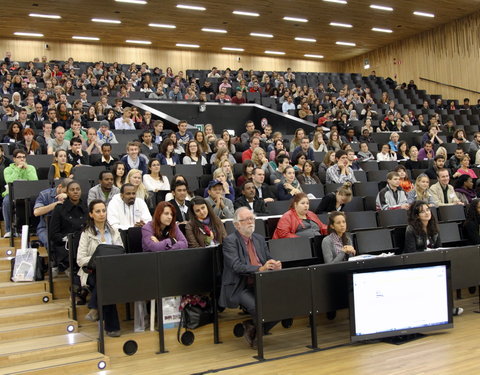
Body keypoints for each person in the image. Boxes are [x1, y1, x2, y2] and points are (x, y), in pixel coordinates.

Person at [219, 207, 282, 348]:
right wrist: (260, 268)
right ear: (237, 225)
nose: (250, 222)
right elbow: (236, 266)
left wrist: (275, 264)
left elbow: (268, 258)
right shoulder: (230, 241)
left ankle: (253, 328)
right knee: (258, 307)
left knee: (284, 304)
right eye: (246, 219)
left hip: (262, 282)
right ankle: (257, 334)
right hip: (241, 285)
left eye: (251, 218)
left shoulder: (259, 238)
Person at [76, 199, 123, 337]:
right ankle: (112, 327)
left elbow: (121, 251)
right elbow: (80, 259)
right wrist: (97, 261)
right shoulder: (86, 233)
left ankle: (95, 307)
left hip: (113, 270)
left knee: (107, 280)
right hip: (92, 271)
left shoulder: (114, 231)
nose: (102, 214)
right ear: (91, 214)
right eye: (98, 211)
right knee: (104, 280)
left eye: (103, 210)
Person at [50, 181, 88, 273]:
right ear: (67, 193)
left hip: (83, 244)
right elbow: (54, 234)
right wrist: (66, 239)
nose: (75, 192)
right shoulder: (59, 209)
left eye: (78, 189)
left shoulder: (86, 208)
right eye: (72, 190)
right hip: (66, 245)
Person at [2, 149, 39, 237]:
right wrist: (17, 169)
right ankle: (9, 230)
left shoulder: (31, 168)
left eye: (23, 157)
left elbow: (34, 181)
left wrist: (27, 170)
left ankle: (34, 228)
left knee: (37, 201)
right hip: (13, 193)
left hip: (28, 193)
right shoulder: (8, 169)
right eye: (19, 157)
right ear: (14, 159)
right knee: (6, 202)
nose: (22, 159)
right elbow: (9, 181)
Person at [33, 178, 71, 248]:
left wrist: (69, 199)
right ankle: (53, 259)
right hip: (46, 228)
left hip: (66, 227)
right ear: (60, 186)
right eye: (65, 192)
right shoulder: (45, 194)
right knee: (51, 242)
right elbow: (36, 212)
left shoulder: (72, 196)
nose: (65, 194)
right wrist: (57, 204)